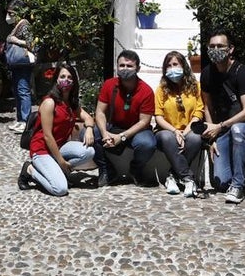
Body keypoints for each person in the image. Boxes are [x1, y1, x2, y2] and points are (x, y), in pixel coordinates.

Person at [18, 62, 96, 196]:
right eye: (62, 76)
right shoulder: (50, 103)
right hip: (42, 149)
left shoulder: (71, 103)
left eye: (70, 77)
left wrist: (89, 129)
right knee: (60, 189)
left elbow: (88, 118)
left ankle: (57, 170)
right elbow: (47, 136)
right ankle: (31, 170)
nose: (66, 80)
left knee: (88, 151)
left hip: (59, 146)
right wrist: (61, 161)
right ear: (56, 80)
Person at [200, 31, 245, 205]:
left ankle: (238, 187)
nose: (215, 49)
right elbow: (207, 106)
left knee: (238, 129)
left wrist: (220, 125)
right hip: (222, 129)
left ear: (230, 49)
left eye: (220, 46)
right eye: (212, 46)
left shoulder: (241, 72)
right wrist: (212, 136)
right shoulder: (207, 74)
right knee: (220, 182)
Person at [92, 50, 157, 187]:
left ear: (138, 68)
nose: (125, 69)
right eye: (121, 66)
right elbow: (100, 112)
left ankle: (136, 169)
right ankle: (107, 170)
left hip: (137, 131)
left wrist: (121, 137)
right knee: (88, 134)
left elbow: (144, 122)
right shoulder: (109, 84)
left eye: (129, 66)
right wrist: (104, 133)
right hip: (113, 126)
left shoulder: (146, 91)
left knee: (148, 144)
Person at [153, 50, 205, 198]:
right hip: (166, 130)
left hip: (190, 129)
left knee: (196, 138)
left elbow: (198, 112)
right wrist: (175, 131)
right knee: (168, 138)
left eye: (175, 64)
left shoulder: (196, 87)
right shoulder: (162, 89)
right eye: (168, 66)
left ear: (183, 66)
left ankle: (172, 176)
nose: (172, 68)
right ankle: (188, 178)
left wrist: (185, 132)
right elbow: (159, 116)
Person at [4, 0, 35, 134]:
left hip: (22, 63)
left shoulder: (25, 25)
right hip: (17, 64)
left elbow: (32, 43)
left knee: (23, 90)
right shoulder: (17, 25)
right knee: (17, 91)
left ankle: (26, 120)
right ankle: (20, 119)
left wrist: (15, 40)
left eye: (11, 13)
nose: (8, 16)